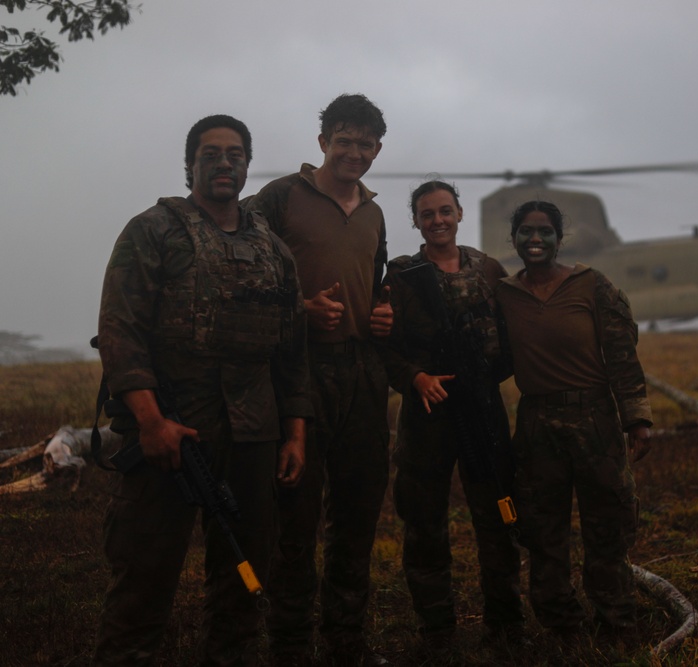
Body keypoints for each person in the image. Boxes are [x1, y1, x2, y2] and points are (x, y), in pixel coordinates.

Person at [93, 114, 311, 666]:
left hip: (254, 430)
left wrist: (295, 433)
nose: (223, 162)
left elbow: (291, 353)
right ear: (190, 163)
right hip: (172, 428)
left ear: (247, 166)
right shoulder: (153, 230)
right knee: (144, 574)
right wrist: (150, 422)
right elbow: (120, 333)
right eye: (210, 153)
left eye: (235, 154)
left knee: (245, 572)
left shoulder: (274, 251)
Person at [246, 94, 393, 667]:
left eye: (365, 144)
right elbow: (243, 272)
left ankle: (345, 642)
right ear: (322, 142)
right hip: (297, 371)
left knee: (357, 512)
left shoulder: (376, 213)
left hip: (362, 372)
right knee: (295, 512)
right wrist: (299, 308)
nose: (353, 152)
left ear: (377, 150)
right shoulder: (280, 197)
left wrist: (385, 314)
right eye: (343, 140)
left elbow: (375, 283)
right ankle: (289, 644)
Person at [493, 200, 653, 640]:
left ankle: (617, 623)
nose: (536, 239)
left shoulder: (592, 286)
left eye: (545, 231)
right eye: (526, 232)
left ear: (559, 239)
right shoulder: (504, 294)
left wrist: (636, 418)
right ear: (515, 240)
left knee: (608, 529)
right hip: (537, 424)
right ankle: (563, 628)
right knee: (543, 533)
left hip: (595, 419)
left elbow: (622, 356)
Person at [380, 181, 525, 655]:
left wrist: (484, 379)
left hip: (482, 411)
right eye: (427, 214)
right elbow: (385, 347)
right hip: (428, 413)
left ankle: (506, 625)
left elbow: (510, 339)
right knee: (424, 524)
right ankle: (437, 631)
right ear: (416, 222)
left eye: (446, 211)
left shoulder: (489, 270)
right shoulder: (401, 276)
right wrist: (416, 378)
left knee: (498, 516)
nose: (438, 220)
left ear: (459, 213)